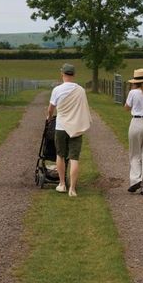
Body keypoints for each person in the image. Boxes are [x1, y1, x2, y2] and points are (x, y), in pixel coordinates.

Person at [46, 63, 92, 197]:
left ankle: (62, 184)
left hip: (61, 127)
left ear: (62, 74)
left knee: (60, 155)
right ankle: (72, 188)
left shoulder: (57, 90)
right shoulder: (81, 90)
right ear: (74, 75)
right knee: (74, 158)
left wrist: (49, 118)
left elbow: (50, 109)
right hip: (76, 127)